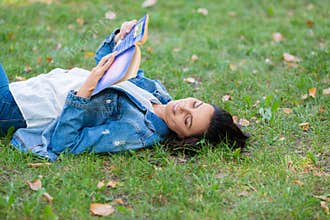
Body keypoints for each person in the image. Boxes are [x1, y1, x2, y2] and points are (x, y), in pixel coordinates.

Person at [0, 20, 249, 161]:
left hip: (17, 108)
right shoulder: (158, 95)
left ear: (186, 137)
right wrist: (121, 40)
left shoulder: (138, 131)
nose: (182, 107)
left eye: (187, 119)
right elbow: (115, 72)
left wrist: (86, 89)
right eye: (194, 104)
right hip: (29, 89)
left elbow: (64, 144)